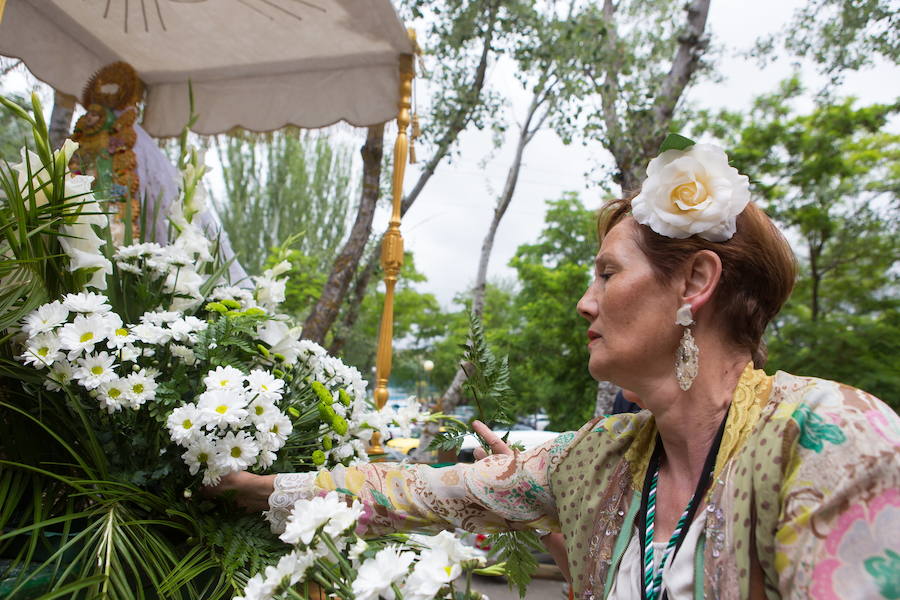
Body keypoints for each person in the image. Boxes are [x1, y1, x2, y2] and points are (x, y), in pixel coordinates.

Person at [211, 139, 900, 599]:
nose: (583, 303)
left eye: (607, 273)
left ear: (695, 282)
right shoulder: (594, 458)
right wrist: (252, 485)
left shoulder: (831, 435)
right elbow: (416, 490)